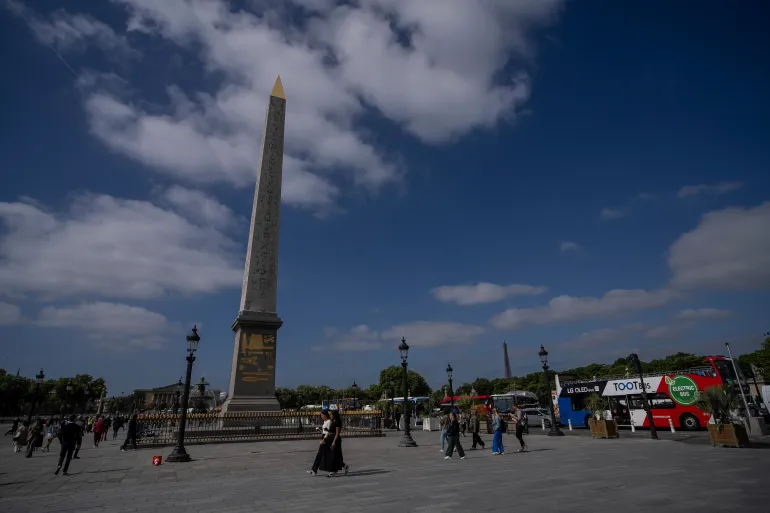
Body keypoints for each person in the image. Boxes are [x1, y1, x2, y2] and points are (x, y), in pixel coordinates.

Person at [308, 410, 332, 476]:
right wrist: (319, 430)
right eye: (321, 415)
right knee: (323, 455)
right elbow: (324, 431)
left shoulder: (329, 421)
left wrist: (324, 440)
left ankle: (314, 470)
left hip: (326, 439)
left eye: (322, 415)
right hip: (323, 437)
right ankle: (314, 470)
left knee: (324, 455)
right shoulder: (325, 421)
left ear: (326, 415)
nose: (321, 417)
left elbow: (328, 432)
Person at [327, 409, 349, 477]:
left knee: (334, 456)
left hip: (336, 440)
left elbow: (337, 433)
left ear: (334, 415)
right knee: (335, 456)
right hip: (332, 439)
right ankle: (344, 466)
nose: (330, 415)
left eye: (331, 414)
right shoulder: (333, 421)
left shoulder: (337, 422)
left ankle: (333, 471)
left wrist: (334, 442)